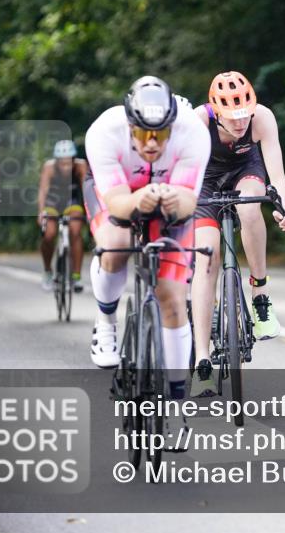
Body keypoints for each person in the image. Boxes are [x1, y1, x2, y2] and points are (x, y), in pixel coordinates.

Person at [83, 76, 210, 402]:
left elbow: (187, 205)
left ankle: (177, 399)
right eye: (142, 134)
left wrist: (170, 200)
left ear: (172, 126)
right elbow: (118, 205)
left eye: (161, 134)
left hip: (170, 198)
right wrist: (140, 201)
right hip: (120, 193)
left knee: (171, 294)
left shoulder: (193, 133)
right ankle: (106, 320)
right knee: (115, 244)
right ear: (129, 126)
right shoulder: (104, 132)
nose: (152, 143)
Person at [189, 71, 285, 398]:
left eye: (244, 115)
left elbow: (276, 175)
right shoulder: (197, 123)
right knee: (206, 259)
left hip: (244, 170)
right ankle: (202, 360)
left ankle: (260, 296)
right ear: (215, 111)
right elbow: (184, 172)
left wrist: (283, 207)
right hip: (205, 180)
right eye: (231, 118)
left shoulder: (261, 118)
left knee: (250, 208)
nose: (240, 124)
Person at [37, 140, 89, 292]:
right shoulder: (49, 167)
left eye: (69, 163)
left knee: (76, 231)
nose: (66, 167)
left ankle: (76, 276)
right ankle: (47, 271)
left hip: (71, 201)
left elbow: (86, 190)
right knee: (49, 234)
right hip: (52, 202)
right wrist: (41, 212)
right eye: (62, 163)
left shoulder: (80, 165)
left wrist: (90, 212)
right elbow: (43, 191)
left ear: (73, 160)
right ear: (57, 161)